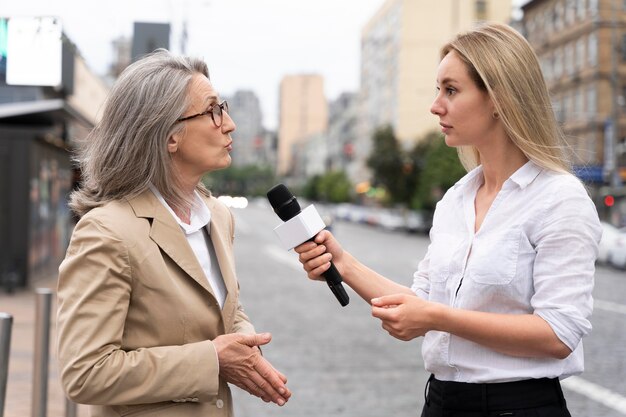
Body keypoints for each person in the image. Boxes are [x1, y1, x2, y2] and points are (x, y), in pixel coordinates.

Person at [295, 22, 601, 417]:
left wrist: (438, 318)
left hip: (518, 407)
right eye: (438, 89)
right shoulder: (455, 200)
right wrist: (342, 262)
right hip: (441, 403)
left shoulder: (559, 198)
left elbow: (559, 333)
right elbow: (421, 302)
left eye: (451, 90)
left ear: (498, 98)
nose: (435, 104)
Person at [56, 49, 291, 417]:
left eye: (224, 107)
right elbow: (85, 373)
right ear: (169, 137)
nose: (229, 124)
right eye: (213, 111)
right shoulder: (107, 232)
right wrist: (213, 360)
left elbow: (224, 305)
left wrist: (246, 346)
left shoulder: (217, 216)